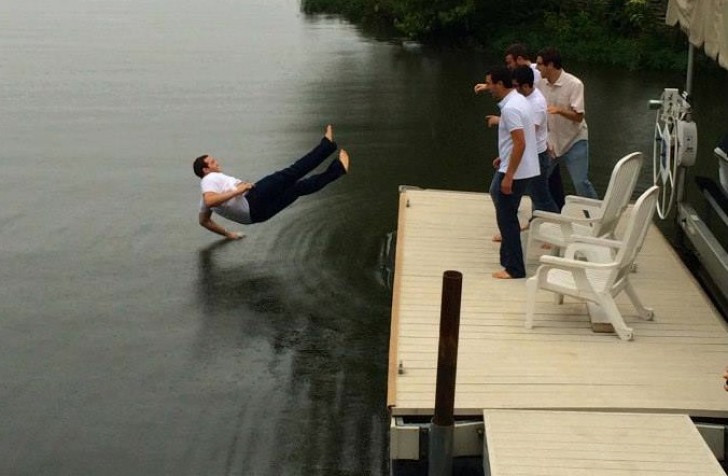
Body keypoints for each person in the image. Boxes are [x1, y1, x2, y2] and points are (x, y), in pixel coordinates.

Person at [194, 125, 349, 240]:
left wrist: (229, 234)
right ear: (205, 170)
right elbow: (210, 199)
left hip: (256, 217)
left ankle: (338, 169)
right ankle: (326, 145)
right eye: (212, 162)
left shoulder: (205, 201)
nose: (217, 163)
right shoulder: (209, 179)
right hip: (253, 198)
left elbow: (204, 221)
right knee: (293, 172)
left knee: (298, 189)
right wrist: (238, 191)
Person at [484, 67, 540, 279]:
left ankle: (514, 268)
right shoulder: (519, 101)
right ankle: (507, 260)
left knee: (507, 217)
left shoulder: (511, 109)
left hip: (515, 172)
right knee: (504, 210)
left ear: (500, 84)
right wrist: (503, 157)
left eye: (490, 83)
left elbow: (521, 142)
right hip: (517, 166)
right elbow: (520, 139)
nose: (489, 88)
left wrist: (508, 175)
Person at [536, 47, 599, 200]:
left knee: (580, 183)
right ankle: (539, 217)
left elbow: (578, 116)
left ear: (550, 65)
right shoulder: (540, 83)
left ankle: (596, 217)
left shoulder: (574, 84)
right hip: (551, 141)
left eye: (539, 64)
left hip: (574, 139)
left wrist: (559, 110)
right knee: (538, 181)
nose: (537, 68)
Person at [513, 65, 560, 215]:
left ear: (526, 86)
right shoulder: (524, 96)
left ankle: (556, 226)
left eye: (515, 86)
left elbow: (527, 133)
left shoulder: (537, 104)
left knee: (541, 197)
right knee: (532, 194)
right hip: (529, 154)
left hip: (536, 157)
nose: (513, 89)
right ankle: (513, 228)